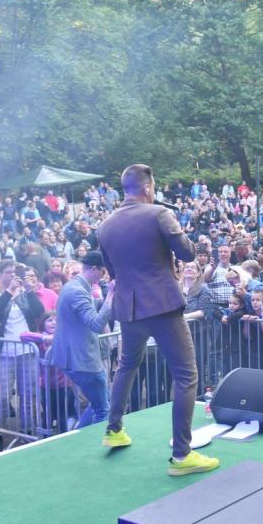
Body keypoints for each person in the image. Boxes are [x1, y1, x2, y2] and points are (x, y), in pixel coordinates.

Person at [97, 164, 218, 477]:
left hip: (128, 308)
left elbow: (112, 270)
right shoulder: (159, 214)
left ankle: (114, 429)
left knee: (126, 365)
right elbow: (188, 254)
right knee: (186, 375)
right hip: (162, 305)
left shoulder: (105, 226)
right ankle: (182, 455)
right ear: (148, 187)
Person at [49, 251, 114, 429]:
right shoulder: (77, 291)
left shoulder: (72, 287)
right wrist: (111, 295)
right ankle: (98, 442)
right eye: (103, 271)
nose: (103, 276)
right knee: (103, 409)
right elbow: (96, 324)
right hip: (82, 359)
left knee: (100, 404)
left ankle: (76, 437)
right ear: (94, 269)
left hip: (74, 358)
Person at [0, 259, 45, 453]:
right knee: (1, 398)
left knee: (29, 395)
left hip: (26, 352)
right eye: (8, 272)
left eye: (15, 272)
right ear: (0, 275)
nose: (13, 275)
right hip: (2, 354)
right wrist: (9, 292)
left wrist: (29, 291)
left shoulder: (26, 295)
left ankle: (28, 431)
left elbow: (39, 312)